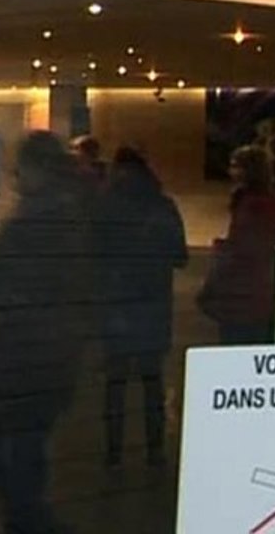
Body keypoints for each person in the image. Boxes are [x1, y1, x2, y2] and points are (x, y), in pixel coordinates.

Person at [0, 131, 91, 534]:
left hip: (27, 354)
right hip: (52, 352)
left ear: (38, 170)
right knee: (25, 445)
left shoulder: (31, 224)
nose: (15, 179)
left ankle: (29, 519)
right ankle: (30, 516)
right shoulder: (69, 217)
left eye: (19, 170)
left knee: (12, 450)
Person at [97, 147, 188, 468]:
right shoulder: (163, 206)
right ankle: (155, 449)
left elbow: (93, 256)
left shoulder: (107, 207)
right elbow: (180, 257)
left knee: (115, 384)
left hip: (117, 306)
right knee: (152, 382)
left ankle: (113, 451)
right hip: (153, 305)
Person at [200, 145, 275, 344]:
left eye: (236, 166)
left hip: (244, 293)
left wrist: (222, 251)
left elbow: (244, 248)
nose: (231, 171)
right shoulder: (264, 202)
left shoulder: (253, 206)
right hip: (255, 292)